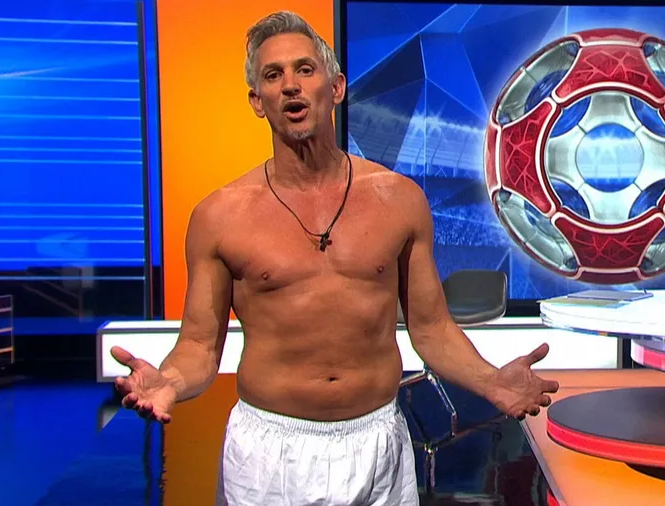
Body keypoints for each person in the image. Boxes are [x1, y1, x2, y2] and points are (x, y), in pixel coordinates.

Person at [109, 10, 559, 506]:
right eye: (273, 75)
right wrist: (170, 380)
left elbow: (432, 329)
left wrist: (491, 380)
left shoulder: (399, 200)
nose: (291, 85)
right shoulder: (219, 217)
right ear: (257, 101)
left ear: (337, 87)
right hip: (268, 455)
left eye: (305, 69)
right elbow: (198, 345)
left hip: (378, 446)